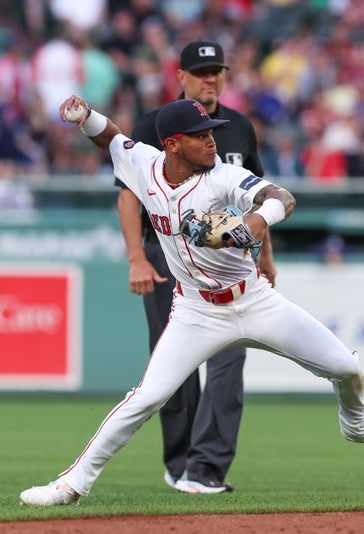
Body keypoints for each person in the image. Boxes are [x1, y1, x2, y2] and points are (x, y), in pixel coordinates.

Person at [18, 97, 364, 507]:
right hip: (196, 311)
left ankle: (358, 423)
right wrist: (84, 118)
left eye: (211, 132)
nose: (211, 141)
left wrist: (255, 221)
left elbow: (282, 197)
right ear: (172, 144)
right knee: (149, 396)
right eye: (201, 135)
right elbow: (113, 139)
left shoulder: (223, 176)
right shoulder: (145, 165)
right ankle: (71, 484)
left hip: (255, 300)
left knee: (346, 369)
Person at [115, 40, 273, 494]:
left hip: (230, 263)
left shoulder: (239, 127)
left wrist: (266, 257)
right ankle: (179, 459)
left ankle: (206, 468)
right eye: (201, 71)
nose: (211, 78)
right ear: (180, 76)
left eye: (217, 70)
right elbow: (128, 195)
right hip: (167, 256)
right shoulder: (154, 124)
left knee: (230, 358)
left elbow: (257, 196)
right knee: (175, 364)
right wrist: (136, 257)